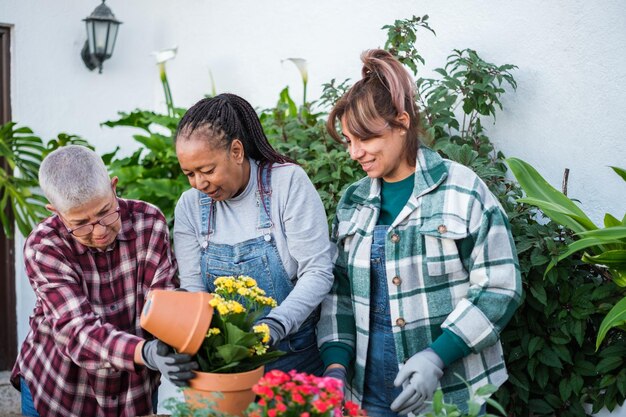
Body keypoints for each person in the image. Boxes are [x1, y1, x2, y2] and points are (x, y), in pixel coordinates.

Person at [317, 49, 523, 416]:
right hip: (368, 395)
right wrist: (335, 367)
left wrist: (437, 356)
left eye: (364, 139)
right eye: (348, 141)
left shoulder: (462, 190)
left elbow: (499, 285)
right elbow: (339, 294)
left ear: (401, 122)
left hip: (456, 393)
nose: (354, 153)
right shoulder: (354, 201)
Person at [11, 145, 198, 417]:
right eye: (81, 223)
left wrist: (173, 345)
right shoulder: (44, 246)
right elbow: (78, 332)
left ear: (113, 187)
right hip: (63, 390)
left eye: (104, 212)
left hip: (136, 393)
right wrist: (145, 352)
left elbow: (165, 301)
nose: (99, 231)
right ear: (56, 211)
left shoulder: (149, 223)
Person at [173, 93, 334, 375]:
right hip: (228, 368)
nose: (199, 183)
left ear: (236, 151)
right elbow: (193, 290)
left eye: (207, 170)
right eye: (189, 173)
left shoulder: (287, 184)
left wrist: (275, 324)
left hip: (294, 358)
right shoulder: (190, 206)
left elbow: (318, 271)